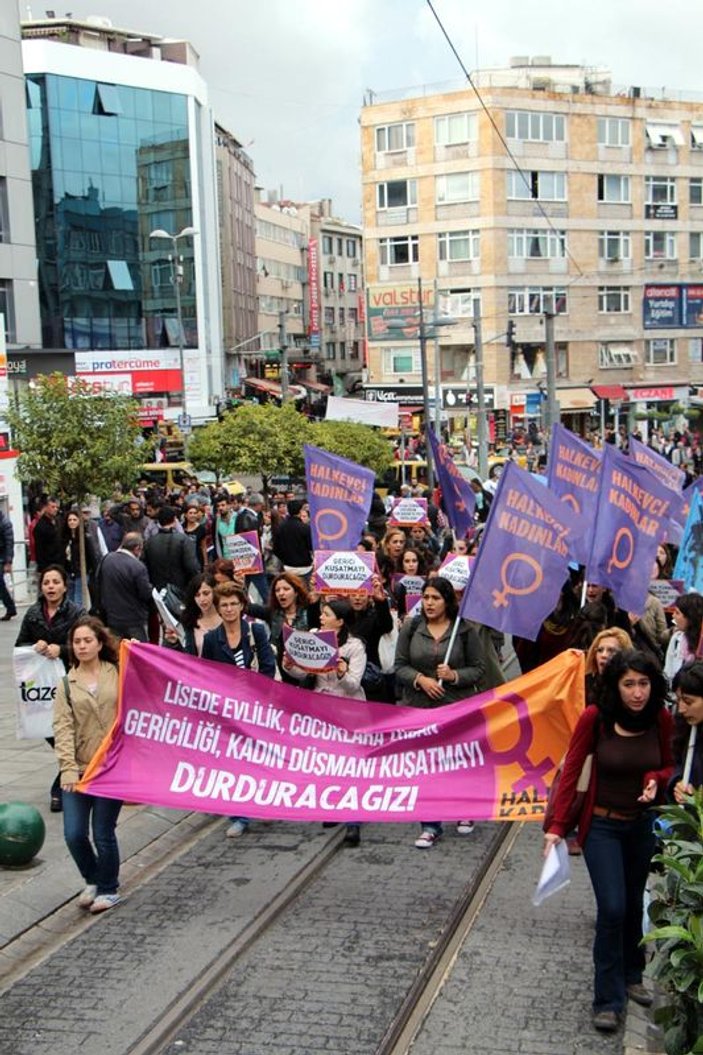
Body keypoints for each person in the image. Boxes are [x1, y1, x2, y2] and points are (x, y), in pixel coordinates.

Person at [543, 650, 674, 1033]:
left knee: (634, 904)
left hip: (641, 827)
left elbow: (669, 763)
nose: (637, 693)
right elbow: (570, 772)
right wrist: (556, 826)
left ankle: (633, 975)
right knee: (613, 907)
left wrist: (656, 776)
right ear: (616, 686)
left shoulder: (661, 719)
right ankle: (607, 999)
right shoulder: (595, 718)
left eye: (644, 684)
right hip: (601, 826)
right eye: (629, 684)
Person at [394, 576, 484, 849]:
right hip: (420, 708)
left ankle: (463, 810)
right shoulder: (411, 628)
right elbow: (399, 666)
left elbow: (479, 668)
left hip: (456, 707)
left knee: (456, 763)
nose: (429, 603)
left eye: (435, 598)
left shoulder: (464, 630)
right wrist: (421, 679)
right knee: (427, 766)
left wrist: (455, 675)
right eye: (426, 597)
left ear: (447, 601)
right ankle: (430, 824)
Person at [283, 598, 368, 847]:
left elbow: (354, 684)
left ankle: (354, 819)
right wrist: (289, 665)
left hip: (349, 712)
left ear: (340, 621)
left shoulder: (354, 647)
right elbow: (302, 673)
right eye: (321, 613)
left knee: (351, 764)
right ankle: (334, 805)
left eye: (327, 614)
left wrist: (342, 671)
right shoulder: (312, 637)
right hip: (321, 710)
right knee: (329, 761)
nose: (321, 617)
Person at [53, 616, 122, 913]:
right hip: (79, 770)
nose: (81, 646)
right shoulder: (66, 685)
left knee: (103, 832)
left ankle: (108, 888)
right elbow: (63, 729)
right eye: (77, 642)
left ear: (99, 642)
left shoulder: (118, 673)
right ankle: (93, 877)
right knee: (74, 833)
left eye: (87, 641)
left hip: (111, 767)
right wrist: (67, 768)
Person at [201, 582, 277, 839]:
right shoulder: (212, 639)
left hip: (256, 709)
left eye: (234, 604)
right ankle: (239, 816)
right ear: (218, 609)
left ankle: (265, 802)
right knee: (232, 764)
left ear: (242, 606)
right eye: (224, 605)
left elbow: (267, 667)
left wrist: (256, 697)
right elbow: (208, 675)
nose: (229, 609)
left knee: (260, 759)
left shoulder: (256, 632)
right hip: (227, 711)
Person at [96, 532, 153, 642]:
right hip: (134, 620)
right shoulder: (138, 567)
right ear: (137, 548)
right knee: (138, 654)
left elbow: (97, 583)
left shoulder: (106, 559)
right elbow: (145, 594)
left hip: (111, 618)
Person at [143, 506, 200, 594]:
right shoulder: (183, 540)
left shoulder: (149, 542)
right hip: (180, 589)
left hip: (157, 590)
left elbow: (144, 567)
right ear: (174, 520)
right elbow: (192, 566)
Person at [164, 572, 221, 656]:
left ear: (215, 592)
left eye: (206, 593)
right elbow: (188, 657)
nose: (202, 599)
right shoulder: (190, 621)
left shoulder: (227, 616)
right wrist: (174, 643)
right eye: (197, 595)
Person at [670, 661, 703, 801]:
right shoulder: (687, 729)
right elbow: (677, 764)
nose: (682, 709)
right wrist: (677, 783)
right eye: (678, 701)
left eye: (688, 702)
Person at [584, 627, 633, 706]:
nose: (604, 655)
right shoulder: (584, 685)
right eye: (600, 650)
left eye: (611, 650)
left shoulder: (633, 688)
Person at [664, 592, 703, 682]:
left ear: (690, 617)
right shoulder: (676, 639)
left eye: (677, 613)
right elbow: (668, 672)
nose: (673, 616)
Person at [272, 498, 313, 579]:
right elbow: (311, 547)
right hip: (305, 567)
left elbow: (276, 548)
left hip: (288, 566)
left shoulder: (281, 527)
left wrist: (284, 558)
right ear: (300, 511)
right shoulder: (305, 528)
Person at [33, 496, 64, 574]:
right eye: (52, 507)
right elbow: (39, 550)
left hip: (60, 563)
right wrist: (43, 568)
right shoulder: (40, 527)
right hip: (48, 565)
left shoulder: (58, 521)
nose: (55, 509)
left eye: (56, 507)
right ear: (45, 508)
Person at [0, 505, 16, 620]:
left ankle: (10, 607)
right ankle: (10, 608)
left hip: (1, 557)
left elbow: (9, 543)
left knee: (0, 585)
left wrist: (8, 561)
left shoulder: (5, 523)